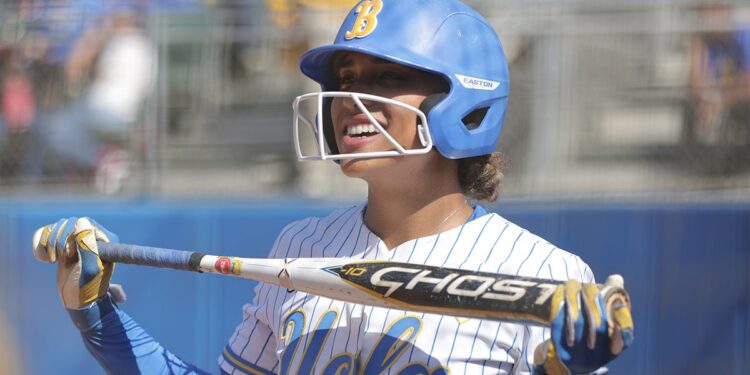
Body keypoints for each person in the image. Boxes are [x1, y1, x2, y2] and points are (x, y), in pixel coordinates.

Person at [33, 1, 633, 374]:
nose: (350, 99)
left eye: (386, 77)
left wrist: (565, 372)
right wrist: (97, 320)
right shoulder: (302, 245)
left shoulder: (548, 275)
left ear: (463, 102)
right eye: (347, 79)